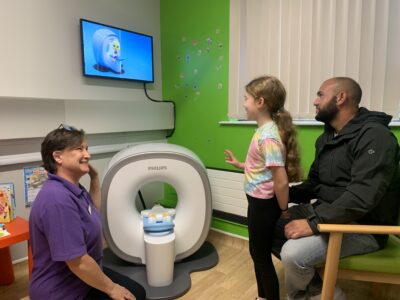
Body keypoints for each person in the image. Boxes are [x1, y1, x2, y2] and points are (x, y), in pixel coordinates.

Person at [274, 77, 400, 300]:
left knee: (293, 255)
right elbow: (315, 183)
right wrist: (282, 194)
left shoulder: (376, 138)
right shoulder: (327, 138)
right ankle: (318, 290)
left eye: (320, 95)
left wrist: (313, 223)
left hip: (363, 225)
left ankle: (310, 294)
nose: (315, 101)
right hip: (326, 212)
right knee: (265, 222)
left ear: (341, 98)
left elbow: (362, 196)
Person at [29, 124, 146, 300]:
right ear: (58, 156)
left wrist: (95, 178)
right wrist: (112, 288)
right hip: (62, 290)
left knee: (137, 292)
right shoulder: (57, 199)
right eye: (79, 149)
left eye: (86, 148)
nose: (87, 155)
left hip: (82, 278)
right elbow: (78, 262)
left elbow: (92, 212)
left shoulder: (73, 188)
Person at [225, 76, 302, 300]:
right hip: (257, 202)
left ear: (260, 102)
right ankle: (262, 296)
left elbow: (281, 181)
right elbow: (264, 168)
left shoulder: (268, 136)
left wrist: (284, 209)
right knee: (257, 252)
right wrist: (241, 164)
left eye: (246, 98)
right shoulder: (263, 131)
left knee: (260, 256)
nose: (243, 103)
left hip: (264, 205)